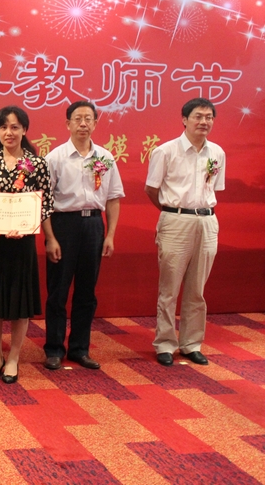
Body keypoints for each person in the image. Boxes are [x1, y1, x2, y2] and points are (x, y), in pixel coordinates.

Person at [0, 106, 53, 383]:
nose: (9, 132)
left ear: (24, 130)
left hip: (22, 245)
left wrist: (31, 229)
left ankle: (14, 357)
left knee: (20, 304)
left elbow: (45, 205)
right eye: (4, 127)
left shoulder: (37, 164)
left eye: (15, 127)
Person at [42, 101, 124, 371]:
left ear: (95, 123)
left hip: (94, 226)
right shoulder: (55, 158)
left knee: (87, 292)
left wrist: (110, 235)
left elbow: (113, 198)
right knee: (58, 291)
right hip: (64, 225)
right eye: (77, 119)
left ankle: (80, 348)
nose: (83, 124)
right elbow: (44, 201)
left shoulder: (105, 157)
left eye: (88, 119)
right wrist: (50, 238)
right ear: (68, 123)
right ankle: (54, 349)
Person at [144, 97, 225, 367]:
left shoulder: (217, 153)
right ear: (184, 119)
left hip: (207, 221)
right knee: (169, 289)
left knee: (197, 289)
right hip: (175, 221)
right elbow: (151, 189)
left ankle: (192, 343)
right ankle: (165, 343)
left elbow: (215, 188)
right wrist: (170, 212)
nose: (204, 122)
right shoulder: (165, 151)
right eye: (198, 116)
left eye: (209, 117)